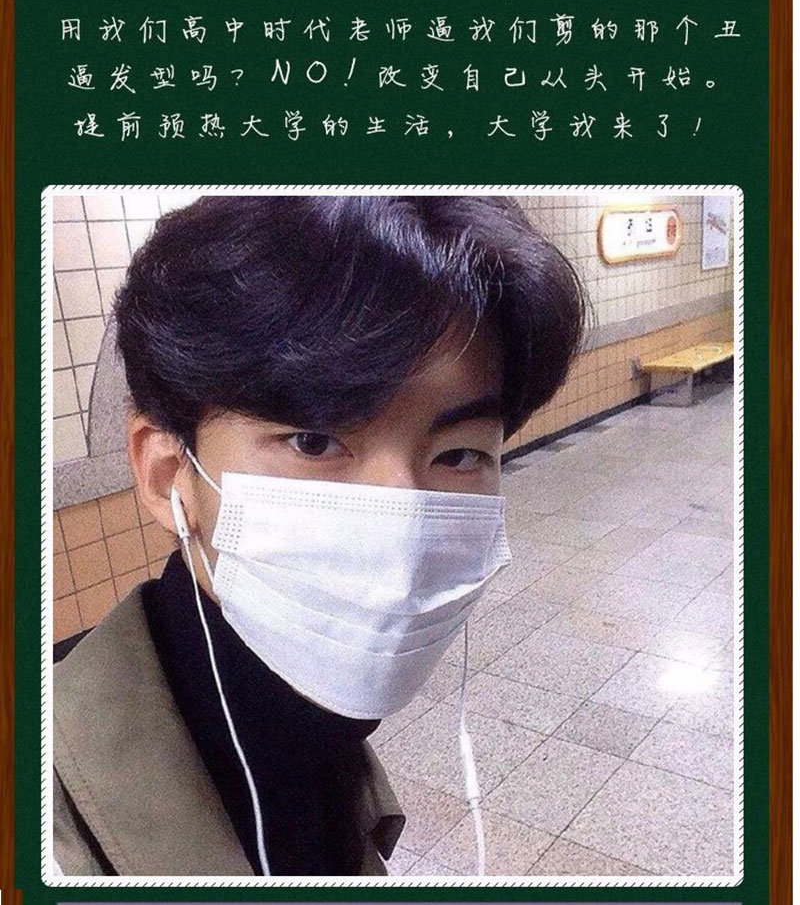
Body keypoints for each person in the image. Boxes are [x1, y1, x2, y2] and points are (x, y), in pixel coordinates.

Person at [52, 195, 586, 877]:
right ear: (166, 474)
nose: (402, 532)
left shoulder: (314, 738)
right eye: (314, 441)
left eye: (458, 454)